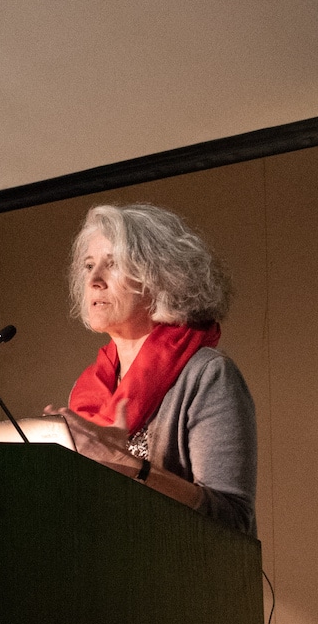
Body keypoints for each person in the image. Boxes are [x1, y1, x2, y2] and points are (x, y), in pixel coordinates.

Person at [51, 202, 257, 535]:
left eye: (113, 264)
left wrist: (130, 467)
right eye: (89, 266)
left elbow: (231, 518)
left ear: (162, 278)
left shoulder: (208, 376)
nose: (94, 280)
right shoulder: (88, 389)